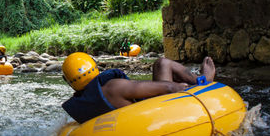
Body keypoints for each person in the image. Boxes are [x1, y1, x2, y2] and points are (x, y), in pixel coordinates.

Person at [61, 52, 216, 124]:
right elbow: (170, 89)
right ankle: (203, 80)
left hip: (131, 127)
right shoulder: (114, 87)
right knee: (163, 63)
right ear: (95, 67)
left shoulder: (84, 103)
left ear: (68, 82)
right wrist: (187, 88)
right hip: (160, 119)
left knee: (161, 65)